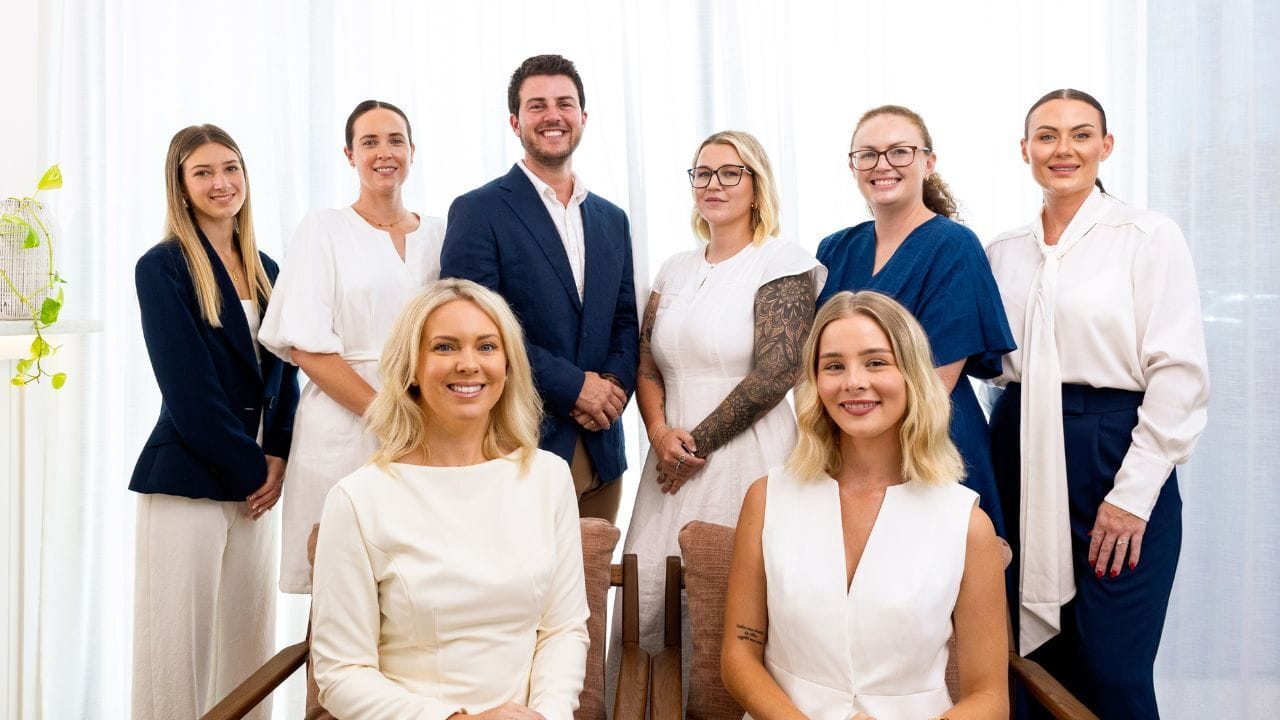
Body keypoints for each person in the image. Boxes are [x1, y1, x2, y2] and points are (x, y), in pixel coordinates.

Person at [986, 89, 1209, 718]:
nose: (1064, 149)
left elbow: (1179, 373)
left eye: (1081, 134)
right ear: (1024, 149)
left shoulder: (1147, 236)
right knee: (1034, 660)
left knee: (1114, 666)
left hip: (1114, 445)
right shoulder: (1001, 250)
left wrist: (1132, 495)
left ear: (1105, 146)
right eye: (1047, 135)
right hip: (1019, 444)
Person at [310, 278, 590, 720]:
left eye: (487, 346)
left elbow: (564, 630)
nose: (468, 364)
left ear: (508, 365)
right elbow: (340, 673)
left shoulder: (548, 478)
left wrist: (547, 715)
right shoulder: (358, 499)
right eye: (444, 347)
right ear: (411, 368)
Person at [722, 290, 1008, 720]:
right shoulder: (766, 499)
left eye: (876, 362)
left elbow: (990, 698)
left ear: (912, 375)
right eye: (834, 366)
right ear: (815, 383)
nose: (853, 382)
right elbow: (739, 657)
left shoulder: (967, 524)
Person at [620, 130, 823, 668]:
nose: (714, 184)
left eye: (731, 173)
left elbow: (778, 372)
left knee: (739, 596)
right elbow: (647, 364)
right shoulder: (673, 269)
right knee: (652, 594)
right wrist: (660, 436)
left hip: (750, 455)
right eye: (703, 173)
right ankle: (657, 701)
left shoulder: (782, 261)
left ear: (757, 186)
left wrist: (693, 446)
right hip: (668, 457)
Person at [131, 124, 300, 720]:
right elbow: (188, 388)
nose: (221, 182)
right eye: (202, 172)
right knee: (175, 654)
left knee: (248, 648)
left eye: (230, 168)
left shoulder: (268, 268)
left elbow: (286, 375)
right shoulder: (162, 267)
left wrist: (279, 457)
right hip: (191, 478)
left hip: (258, 485)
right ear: (180, 186)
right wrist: (254, 469)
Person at [440, 54, 639, 523]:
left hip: (603, 449)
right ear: (515, 121)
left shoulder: (612, 219)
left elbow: (625, 320)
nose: (553, 115)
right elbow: (475, 333)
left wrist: (611, 389)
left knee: (594, 572)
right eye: (537, 105)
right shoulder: (478, 211)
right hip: (518, 444)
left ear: (583, 117)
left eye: (564, 104)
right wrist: (575, 389)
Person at [259, 99, 446, 593]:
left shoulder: (440, 234)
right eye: (369, 142)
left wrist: (424, 419)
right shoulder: (323, 229)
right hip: (344, 422)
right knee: (339, 582)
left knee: (417, 582)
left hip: (427, 422)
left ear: (412, 151)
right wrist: (388, 415)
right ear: (349, 154)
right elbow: (307, 347)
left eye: (395, 140)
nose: (384, 152)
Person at [816, 105, 1014, 537]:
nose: (882, 164)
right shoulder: (834, 249)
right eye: (868, 154)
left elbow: (935, 383)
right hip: (851, 444)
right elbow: (820, 362)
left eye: (899, 151)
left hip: (931, 443)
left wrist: (872, 455)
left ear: (928, 162)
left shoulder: (954, 246)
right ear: (852, 166)